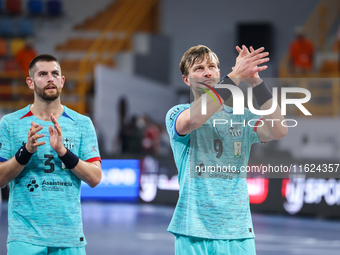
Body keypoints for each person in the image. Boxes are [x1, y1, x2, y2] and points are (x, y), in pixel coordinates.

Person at [165, 45, 288, 255]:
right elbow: (195, 118)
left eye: (212, 66)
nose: (207, 72)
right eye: (199, 68)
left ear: (219, 73)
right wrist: (236, 75)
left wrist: (255, 82)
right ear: (186, 79)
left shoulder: (242, 117)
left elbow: (279, 130)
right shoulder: (178, 113)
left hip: (238, 231)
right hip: (194, 231)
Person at [0, 54, 102, 255]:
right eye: (42, 74)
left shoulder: (82, 124)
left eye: (55, 74)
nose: (50, 79)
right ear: (30, 82)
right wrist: (25, 152)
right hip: (25, 238)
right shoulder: (10, 123)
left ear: (62, 81)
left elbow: (95, 178)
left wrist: (63, 152)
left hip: (69, 237)